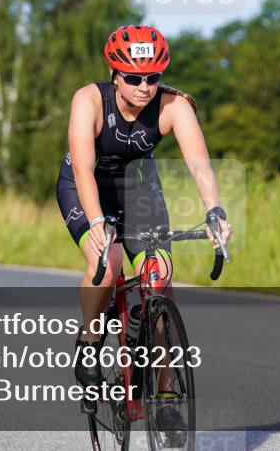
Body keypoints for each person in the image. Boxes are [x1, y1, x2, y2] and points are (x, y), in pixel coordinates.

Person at [55, 24, 232, 436]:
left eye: (153, 77)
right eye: (133, 78)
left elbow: (199, 164)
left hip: (138, 189)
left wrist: (214, 211)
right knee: (110, 261)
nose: (143, 87)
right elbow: (82, 167)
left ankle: (167, 398)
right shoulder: (89, 100)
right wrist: (97, 223)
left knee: (160, 279)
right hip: (87, 186)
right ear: (115, 75)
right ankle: (89, 339)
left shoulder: (174, 106)